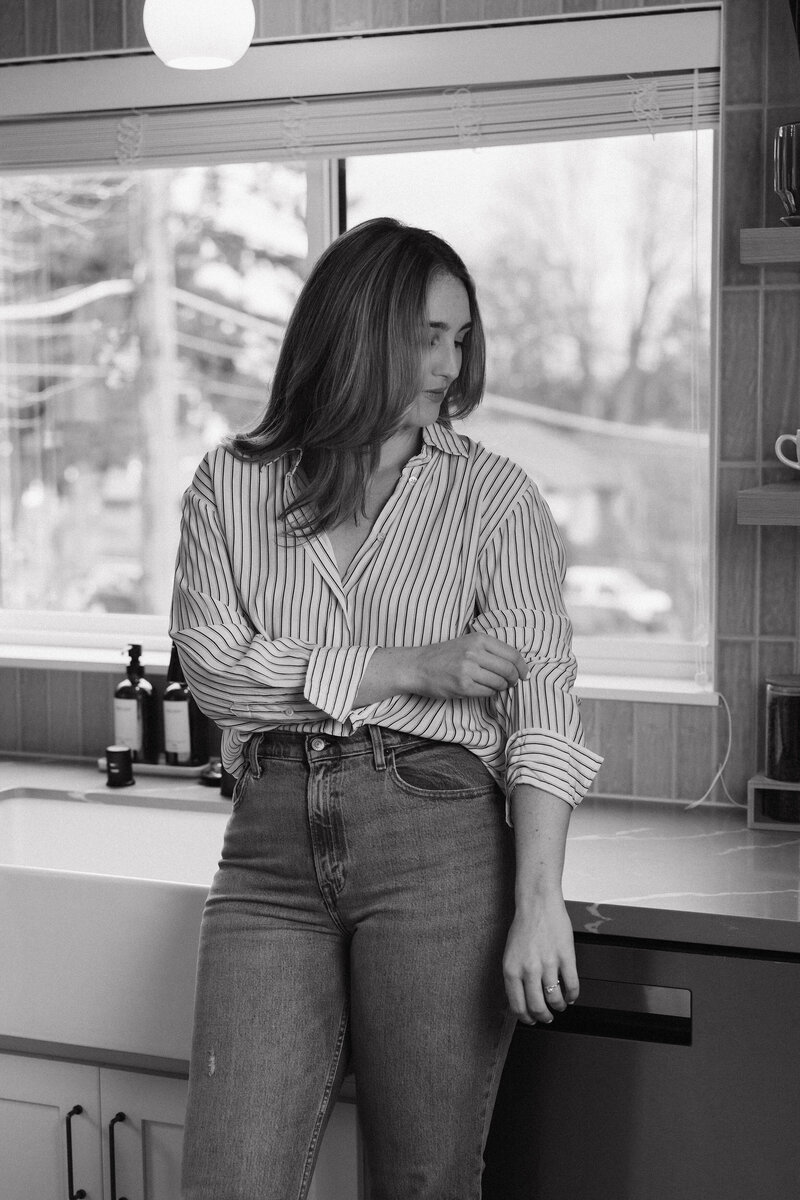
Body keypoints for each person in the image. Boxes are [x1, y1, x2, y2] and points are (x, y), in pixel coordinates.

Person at [171, 216, 602, 1200]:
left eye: (459, 337)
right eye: (424, 337)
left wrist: (539, 902)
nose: (448, 365)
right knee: (227, 1181)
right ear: (354, 331)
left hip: (436, 844)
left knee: (422, 1182)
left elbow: (542, 703)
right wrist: (410, 665)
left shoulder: (491, 498)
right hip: (267, 851)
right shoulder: (230, 486)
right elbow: (215, 675)